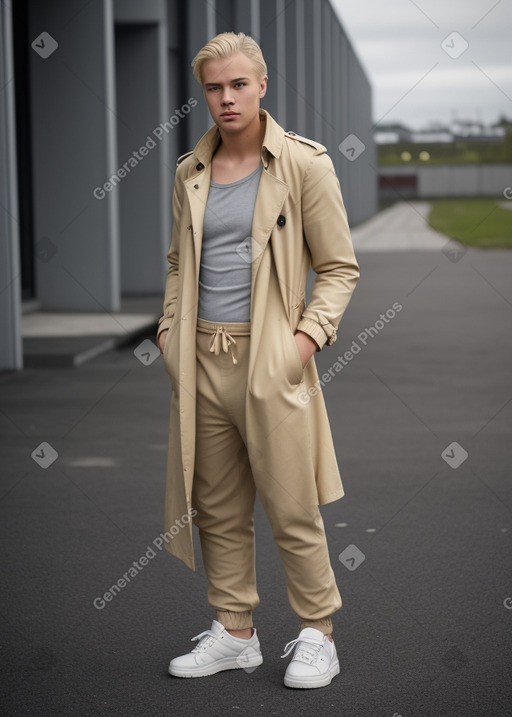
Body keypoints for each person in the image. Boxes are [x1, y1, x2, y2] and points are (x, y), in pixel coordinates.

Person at [157, 31, 360, 689]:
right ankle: (236, 632)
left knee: (292, 503)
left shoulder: (303, 164)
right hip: (200, 358)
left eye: (238, 84)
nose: (226, 98)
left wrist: (300, 345)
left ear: (263, 85)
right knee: (215, 504)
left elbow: (337, 268)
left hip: (271, 356)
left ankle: (318, 633)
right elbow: (177, 264)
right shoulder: (189, 171)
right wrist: (168, 334)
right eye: (214, 87)